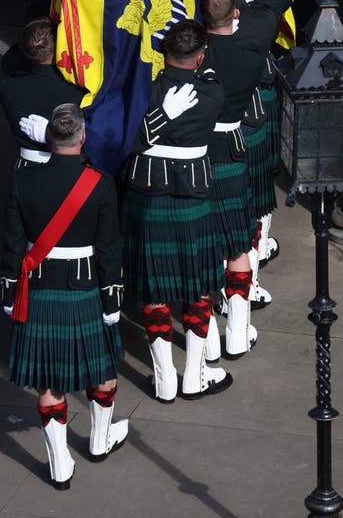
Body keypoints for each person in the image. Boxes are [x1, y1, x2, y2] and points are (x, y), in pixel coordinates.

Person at [0, 103, 126, 489]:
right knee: (103, 376)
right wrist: (112, 302)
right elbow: (108, 250)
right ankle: (100, 442)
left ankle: (59, 466)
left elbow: (12, 242)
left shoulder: (24, 181)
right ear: (82, 138)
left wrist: (8, 291)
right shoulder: (100, 184)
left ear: (48, 138)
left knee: (49, 384)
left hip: (39, 289)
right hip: (85, 290)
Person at [119, 20, 233, 401]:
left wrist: (159, 113)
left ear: (163, 53)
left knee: (155, 288)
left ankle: (166, 376)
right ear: (200, 57)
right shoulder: (212, 90)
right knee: (197, 287)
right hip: (192, 198)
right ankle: (191, 375)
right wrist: (166, 114)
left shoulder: (144, 91)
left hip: (148, 196)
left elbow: (127, 142)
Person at [216, 0, 284, 305]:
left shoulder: (199, 33)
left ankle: (218, 307)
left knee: (217, 225)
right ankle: (247, 290)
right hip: (250, 121)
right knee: (253, 210)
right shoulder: (260, 22)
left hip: (208, 137)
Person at [200, 0, 263, 358]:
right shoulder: (251, 60)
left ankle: (207, 344)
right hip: (232, 153)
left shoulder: (192, 57)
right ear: (235, 14)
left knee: (207, 245)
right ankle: (237, 334)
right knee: (238, 243)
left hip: (197, 157)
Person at [0, 18, 85, 167]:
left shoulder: (8, 86)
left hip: (26, 165)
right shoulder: (77, 89)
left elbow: (9, 62)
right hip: (71, 165)